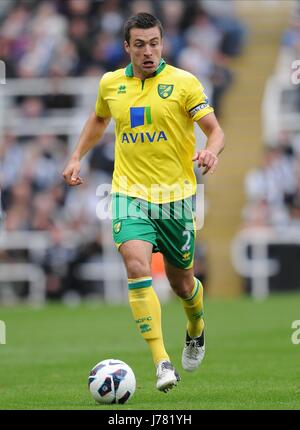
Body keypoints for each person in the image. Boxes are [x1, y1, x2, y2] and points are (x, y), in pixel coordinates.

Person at [63, 12, 225, 393]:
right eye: (140, 45)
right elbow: (99, 119)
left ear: (162, 44)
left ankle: (196, 327)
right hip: (129, 194)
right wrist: (75, 157)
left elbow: (215, 131)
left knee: (183, 283)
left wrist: (211, 152)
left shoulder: (183, 83)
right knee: (136, 266)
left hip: (176, 199)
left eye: (154, 43)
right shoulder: (110, 84)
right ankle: (161, 362)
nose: (148, 51)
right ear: (127, 48)